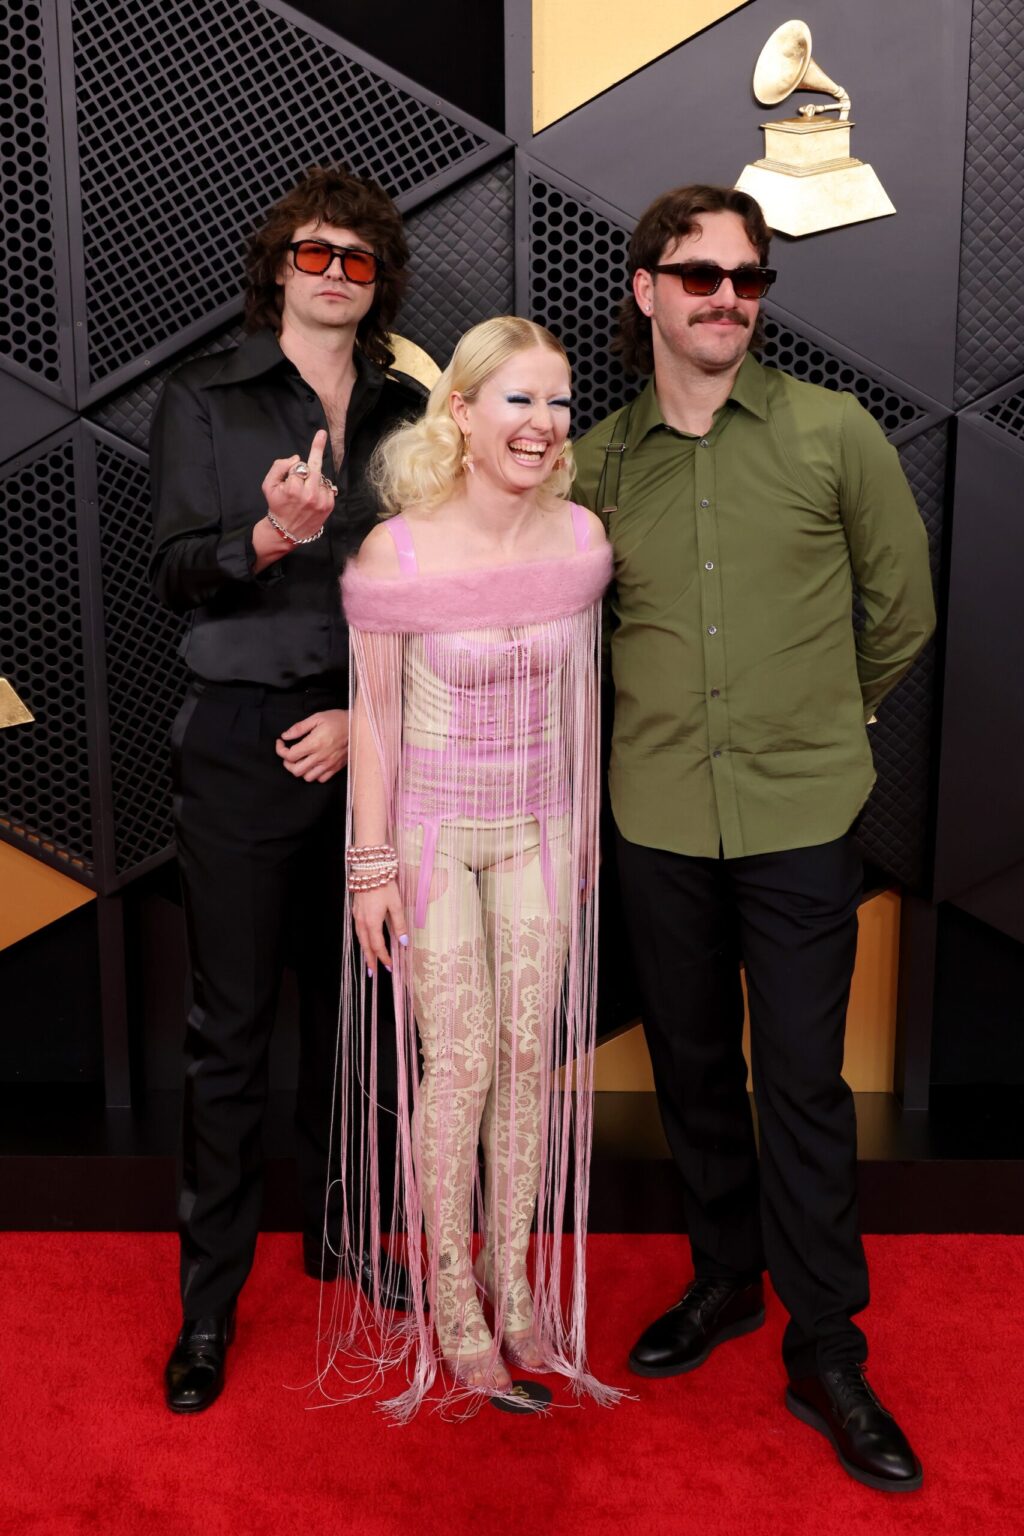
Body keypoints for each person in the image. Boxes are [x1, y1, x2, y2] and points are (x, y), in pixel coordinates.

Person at [573, 184, 935, 1489]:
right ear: (647, 290)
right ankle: (725, 1281)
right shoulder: (599, 458)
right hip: (656, 812)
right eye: (701, 276)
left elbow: (900, 612)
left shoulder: (833, 433)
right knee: (689, 1072)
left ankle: (828, 1348)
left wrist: (823, 723)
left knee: (802, 1083)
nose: (728, 298)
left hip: (798, 813)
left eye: (748, 279)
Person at [150, 164, 424, 1414]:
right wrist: (268, 539)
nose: (332, 275)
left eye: (357, 261)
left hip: (371, 740)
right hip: (241, 745)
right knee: (230, 1037)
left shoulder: (414, 408)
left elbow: (441, 585)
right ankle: (208, 1309)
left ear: (376, 286)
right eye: (314, 255)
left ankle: (341, 1237)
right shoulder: (204, 396)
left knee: (362, 1027)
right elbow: (175, 571)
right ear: (278, 270)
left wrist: (367, 725)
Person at [317, 316, 615, 1418]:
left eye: (557, 403)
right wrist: (370, 869)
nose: (542, 425)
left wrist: (581, 836)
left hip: (539, 831)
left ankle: (514, 1284)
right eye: (517, 400)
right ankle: (451, 1298)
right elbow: (377, 725)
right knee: (462, 1066)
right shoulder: (393, 550)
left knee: (526, 1060)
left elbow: (583, 704)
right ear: (461, 411)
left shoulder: (579, 538)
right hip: (434, 836)